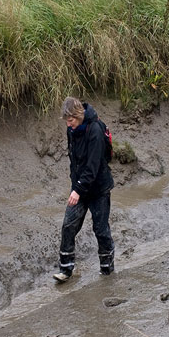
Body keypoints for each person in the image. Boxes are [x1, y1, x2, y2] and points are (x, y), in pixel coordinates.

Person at [53, 97, 115, 282]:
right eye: (66, 120)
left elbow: (93, 165)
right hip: (80, 187)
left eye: (70, 120)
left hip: (99, 189)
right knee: (68, 225)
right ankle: (65, 270)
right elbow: (74, 160)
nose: (68, 124)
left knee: (101, 229)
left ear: (78, 115)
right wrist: (76, 186)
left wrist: (77, 189)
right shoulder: (71, 130)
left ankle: (107, 270)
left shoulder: (95, 130)